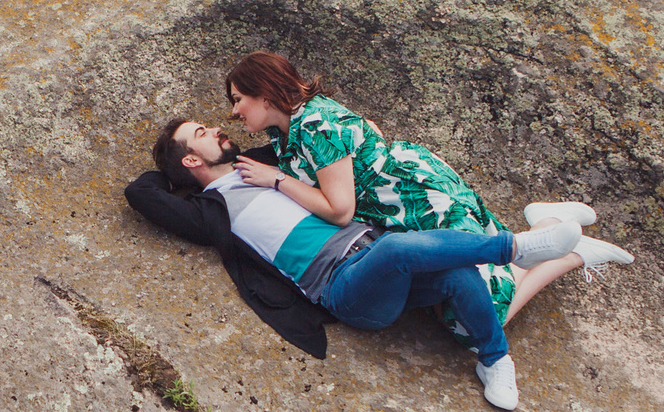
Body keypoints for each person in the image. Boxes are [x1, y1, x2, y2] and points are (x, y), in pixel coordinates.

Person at [131, 118, 585, 410]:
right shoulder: (208, 212)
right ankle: (516, 247)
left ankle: (494, 358)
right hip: (344, 287)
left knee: (454, 273)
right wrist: (173, 172)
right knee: (397, 250)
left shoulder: (268, 162)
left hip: (377, 249)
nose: (216, 129)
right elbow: (140, 192)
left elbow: (317, 131)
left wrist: (275, 174)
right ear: (191, 158)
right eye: (202, 133)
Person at [219, 50, 630, 346]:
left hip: (419, 201)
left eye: (238, 99)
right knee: (455, 292)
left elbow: (340, 212)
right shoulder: (289, 128)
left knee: (477, 320)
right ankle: (546, 227)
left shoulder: (313, 124)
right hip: (402, 203)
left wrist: (277, 181)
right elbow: (371, 129)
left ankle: (564, 246)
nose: (234, 112)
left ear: (265, 94)